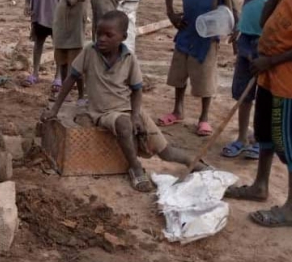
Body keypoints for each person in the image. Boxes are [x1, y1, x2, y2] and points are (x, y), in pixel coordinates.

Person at [42, 10, 209, 192]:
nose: (102, 39)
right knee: (123, 124)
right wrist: (55, 109)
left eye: (108, 35)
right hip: (104, 112)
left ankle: (196, 164)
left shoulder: (129, 59)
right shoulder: (89, 52)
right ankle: (135, 168)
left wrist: (136, 115)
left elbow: (137, 90)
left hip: (128, 108)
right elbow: (70, 79)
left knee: (165, 151)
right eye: (99, 34)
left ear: (123, 37)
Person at [224, 0, 292, 227]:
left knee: (288, 143)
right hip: (269, 73)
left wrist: (272, 61)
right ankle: (260, 186)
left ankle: (290, 208)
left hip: (287, 80)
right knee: (265, 132)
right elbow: (265, 21)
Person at [159, 0, 235, 136]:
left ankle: (204, 117)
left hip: (208, 33)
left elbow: (228, 0)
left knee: (205, 77)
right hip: (186, 29)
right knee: (179, 74)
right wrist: (171, 13)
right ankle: (177, 110)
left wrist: (232, 23)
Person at [221, 0, 287, 160]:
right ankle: (241, 136)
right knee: (243, 94)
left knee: (264, 95)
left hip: (269, 44)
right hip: (246, 38)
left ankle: (260, 140)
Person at [50, 0, 88, 102]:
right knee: (63, 64)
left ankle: (81, 95)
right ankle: (64, 93)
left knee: (76, 67)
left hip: (74, 31)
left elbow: (73, 0)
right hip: (60, 30)